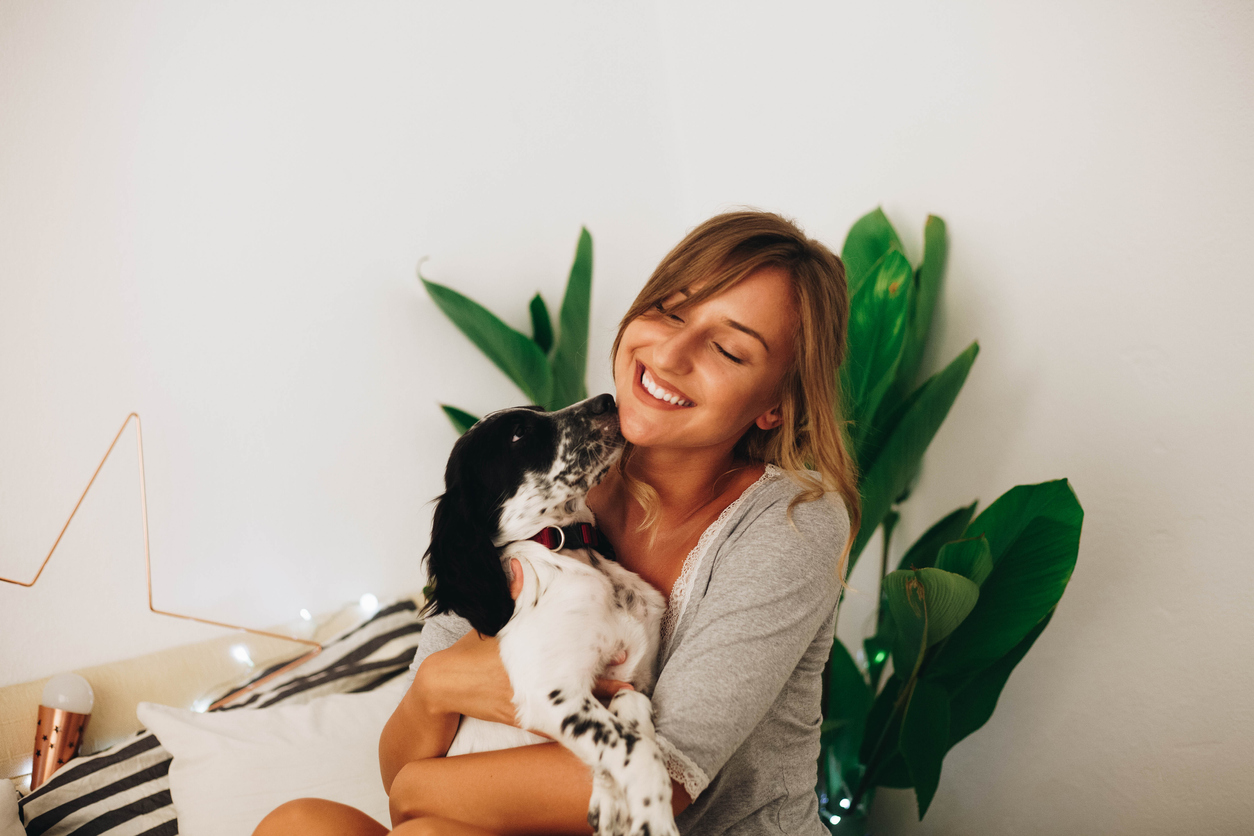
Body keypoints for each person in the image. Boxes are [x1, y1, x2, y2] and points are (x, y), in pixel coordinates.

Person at [255, 210, 861, 835]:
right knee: (299, 824)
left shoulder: (791, 522)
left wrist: (421, 786)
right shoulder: (541, 492)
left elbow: (662, 782)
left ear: (774, 407)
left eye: (729, 349)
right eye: (672, 311)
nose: (672, 353)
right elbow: (402, 769)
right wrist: (436, 685)